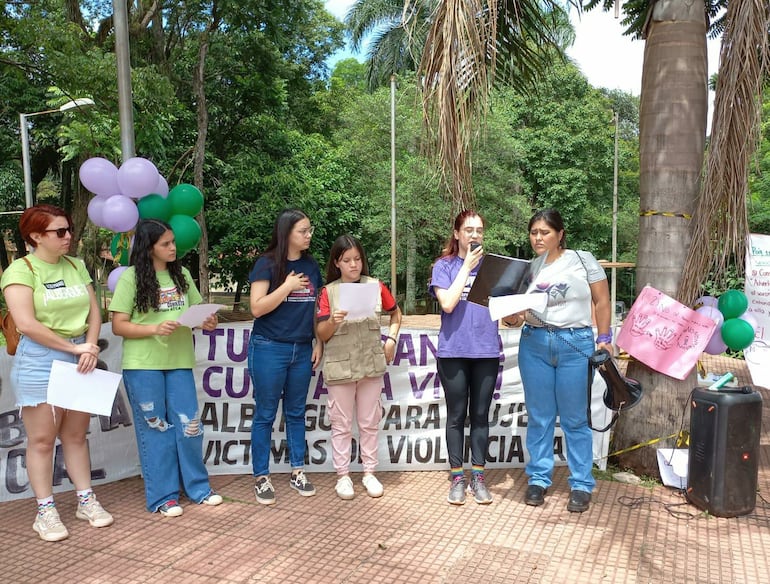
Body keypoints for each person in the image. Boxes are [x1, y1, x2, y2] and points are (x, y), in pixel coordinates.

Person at [1, 204, 113, 541]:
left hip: (80, 356)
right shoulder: (21, 271)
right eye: (59, 232)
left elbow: (94, 312)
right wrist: (74, 349)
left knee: (76, 435)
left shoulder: (76, 265)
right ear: (36, 236)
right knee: (42, 439)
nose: (68, 237)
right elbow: (26, 324)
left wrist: (89, 346)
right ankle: (45, 510)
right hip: (41, 360)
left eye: (69, 230)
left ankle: (85, 499)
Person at [110, 219, 223, 517]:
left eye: (173, 242)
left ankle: (198, 488)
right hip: (143, 365)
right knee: (156, 429)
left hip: (179, 362)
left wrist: (207, 321)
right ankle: (164, 496)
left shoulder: (182, 274)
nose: (173, 248)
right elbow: (118, 325)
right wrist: (154, 329)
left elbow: (197, 312)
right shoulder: (131, 279)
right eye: (166, 244)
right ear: (149, 248)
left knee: (189, 425)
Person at [503, 208, 611, 513]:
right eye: (534, 232)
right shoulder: (527, 269)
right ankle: (538, 479)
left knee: (576, 418)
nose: (538, 238)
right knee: (539, 416)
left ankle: (581, 483)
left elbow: (601, 300)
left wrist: (604, 338)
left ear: (560, 234)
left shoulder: (582, 259)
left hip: (575, 344)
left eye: (545, 232)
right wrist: (511, 318)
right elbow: (517, 313)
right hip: (534, 343)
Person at [316, 235, 402, 500]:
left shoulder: (376, 285)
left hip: (370, 364)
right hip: (340, 367)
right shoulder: (328, 291)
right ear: (337, 263)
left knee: (369, 422)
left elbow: (396, 313)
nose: (353, 265)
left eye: (357, 259)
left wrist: (392, 339)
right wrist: (332, 320)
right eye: (347, 260)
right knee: (341, 424)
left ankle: (369, 472)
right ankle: (342, 476)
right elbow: (321, 331)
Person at [248, 209, 323, 505]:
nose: (308, 236)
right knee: (266, 413)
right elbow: (257, 307)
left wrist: (318, 341)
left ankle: (297, 471)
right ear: (286, 233)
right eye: (302, 231)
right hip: (269, 346)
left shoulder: (311, 265)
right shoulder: (267, 264)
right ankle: (261, 476)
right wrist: (287, 287)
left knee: (295, 412)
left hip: (302, 348)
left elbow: (315, 307)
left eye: (309, 230)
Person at [430, 210, 500, 505]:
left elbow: (506, 310)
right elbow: (447, 303)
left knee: (481, 415)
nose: (474, 235)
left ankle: (479, 476)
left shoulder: (494, 267)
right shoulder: (444, 266)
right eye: (468, 230)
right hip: (453, 351)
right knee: (457, 415)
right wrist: (466, 267)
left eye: (479, 230)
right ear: (457, 233)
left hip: (486, 350)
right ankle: (458, 477)